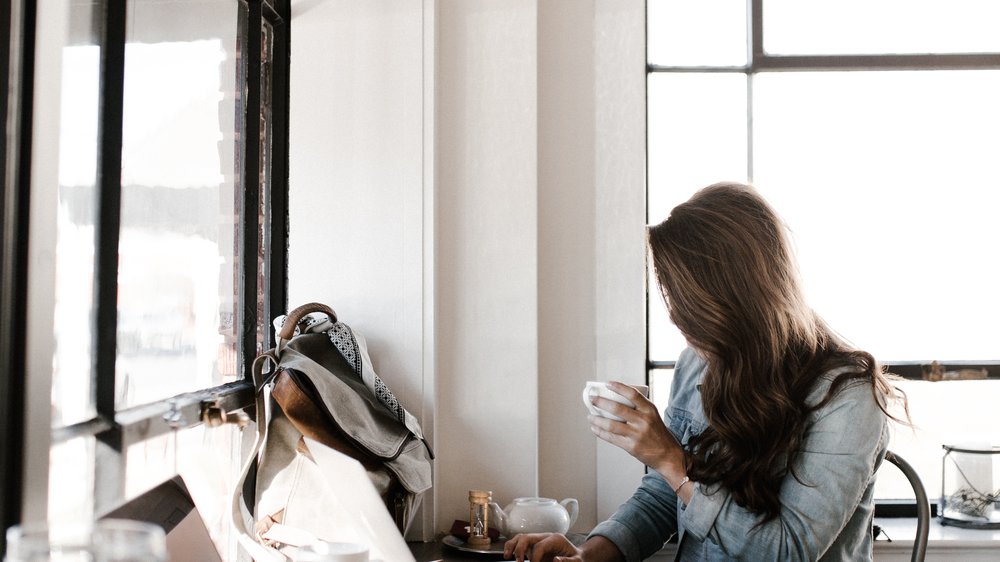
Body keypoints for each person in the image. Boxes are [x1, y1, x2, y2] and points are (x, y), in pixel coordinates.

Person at [504, 182, 908, 561]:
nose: (677, 319)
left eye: (686, 303)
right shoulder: (698, 363)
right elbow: (666, 496)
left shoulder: (847, 398)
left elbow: (788, 551)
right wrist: (590, 554)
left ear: (734, 298)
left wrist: (670, 458)